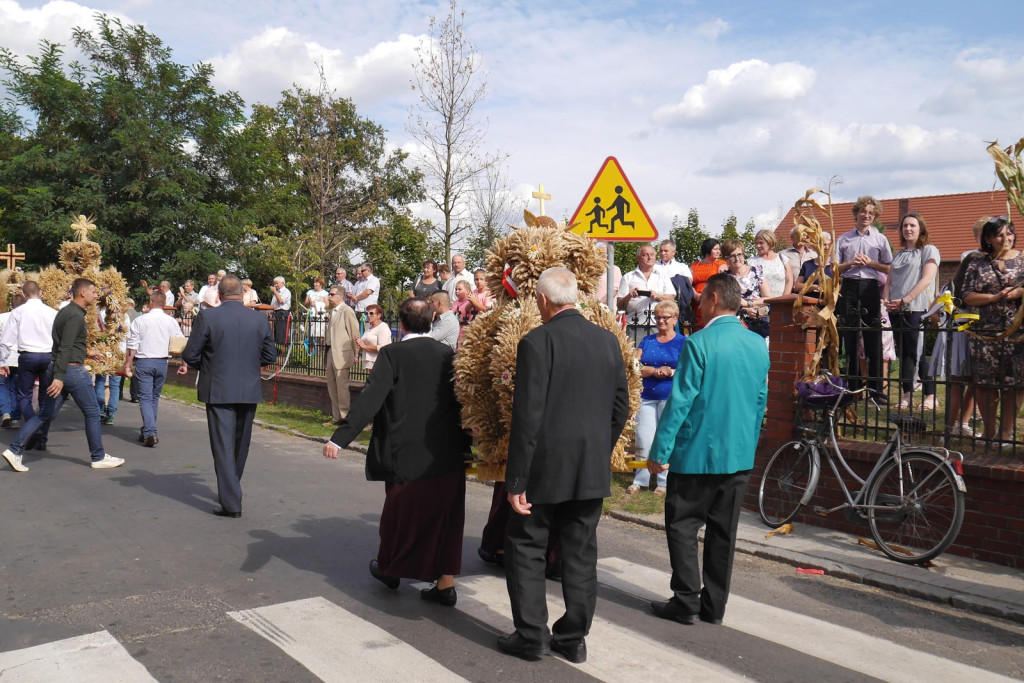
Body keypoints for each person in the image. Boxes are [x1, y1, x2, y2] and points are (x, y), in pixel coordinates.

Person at [498, 267, 629, 664]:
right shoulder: (608, 341)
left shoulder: (536, 341)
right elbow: (621, 406)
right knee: (580, 553)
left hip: (544, 467)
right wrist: (597, 449)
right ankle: (573, 637)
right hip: (590, 468)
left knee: (526, 545)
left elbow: (527, 416)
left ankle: (532, 635)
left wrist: (516, 479)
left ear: (541, 300)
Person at [323, 297, 471, 606]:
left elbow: (370, 400)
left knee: (399, 512)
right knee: (446, 515)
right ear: (432, 321)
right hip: (446, 450)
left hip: (405, 450)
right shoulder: (450, 355)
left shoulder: (392, 354)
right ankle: (446, 583)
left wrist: (340, 438)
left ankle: (391, 569)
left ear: (401, 324)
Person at [647, 273, 769, 626]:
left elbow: (681, 401)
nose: (697, 305)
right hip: (739, 455)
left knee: (683, 527)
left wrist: (660, 450)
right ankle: (714, 606)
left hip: (697, 454)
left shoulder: (699, 343)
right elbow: (760, 401)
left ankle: (686, 598)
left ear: (714, 298)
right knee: (723, 533)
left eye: (701, 299)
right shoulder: (757, 344)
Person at [182, 275, 277, 517]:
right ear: (243, 294)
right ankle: (232, 488)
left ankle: (232, 502)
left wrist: (211, 368)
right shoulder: (259, 319)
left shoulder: (208, 316)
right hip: (248, 387)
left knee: (223, 446)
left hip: (219, 388)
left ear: (219, 295)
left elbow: (191, 354)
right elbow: (269, 355)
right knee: (239, 444)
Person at [47, 278, 124, 469]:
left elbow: (68, 344)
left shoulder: (66, 312)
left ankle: (16, 448)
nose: (96, 295)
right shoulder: (74, 316)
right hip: (72, 369)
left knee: (46, 413)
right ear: (82, 293)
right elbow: (65, 347)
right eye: (93, 291)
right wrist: (58, 376)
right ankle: (98, 456)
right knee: (91, 412)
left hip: (64, 366)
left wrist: (88, 352)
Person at [962, 216, 1024, 448]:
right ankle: (989, 432)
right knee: (984, 384)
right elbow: (967, 295)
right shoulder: (977, 263)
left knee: (1013, 385)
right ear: (988, 239)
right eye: (999, 235)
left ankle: (1006, 435)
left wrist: (1019, 293)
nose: (1005, 238)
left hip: (1017, 334)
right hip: (984, 334)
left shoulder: (1023, 260)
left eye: (1009, 233)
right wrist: (993, 297)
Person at [626, 301, 686, 496]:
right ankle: (640, 479)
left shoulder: (683, 342)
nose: (661, 321)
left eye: (665, 317)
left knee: (666, 438)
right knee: (644, 437)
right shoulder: (647, 341)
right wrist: (652, 370)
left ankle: (663, 481)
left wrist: (670, 371)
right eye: (658, 317)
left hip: (669, 396)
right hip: (647, 396)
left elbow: (687, 369)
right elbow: (635, 366)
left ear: (675, 319)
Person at [835, 196, 892, 395]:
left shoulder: (880, 239)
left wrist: (870, 263)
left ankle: (876, 389)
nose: (866, 216)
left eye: (870, 213)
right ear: (856, 213)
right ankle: (853, 386)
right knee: (850, 336)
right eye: (863, 212)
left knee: (872, 337)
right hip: (849, 286)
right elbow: (834, 269)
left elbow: (889, 267)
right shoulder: (843, 239)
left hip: (870, 286)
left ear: (874, 216)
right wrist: (850, 263)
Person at [884, 212, 940, 410]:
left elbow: (926, 280)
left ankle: (930, 395)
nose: (908, 229)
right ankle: (907, 395)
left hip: (916, 308)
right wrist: (885, 300)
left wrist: (905, 300)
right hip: (895, 309)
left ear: (920, 229)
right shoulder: (898, 255)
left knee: (917, 353)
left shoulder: (928, 250)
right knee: (904, 355)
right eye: (905, 226)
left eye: (912, 226)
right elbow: (889, 281)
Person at [0, 281, 57, 472]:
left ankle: (32, 427)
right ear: (40, 292)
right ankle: (41, 437)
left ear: (23, 295)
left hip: (27, 356)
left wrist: (2, 362)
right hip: (48, 356)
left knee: (23, 395)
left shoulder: (18, 312)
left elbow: (6, 341)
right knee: (46, 397)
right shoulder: (51, 312)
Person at [125, 290, 187, 446]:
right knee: (154, 398)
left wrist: (127, 365)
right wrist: (183, 363)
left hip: (144, 361)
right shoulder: (171, 321)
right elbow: (180, 343)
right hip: (162, 362)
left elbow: (132, 345)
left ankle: (150, 432)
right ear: (164, 304)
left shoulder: (140, 320)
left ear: (151, 302)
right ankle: (148, 429)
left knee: (145, 398)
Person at [946, 218, 987, 438]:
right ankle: (950, 426)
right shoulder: (969, 256)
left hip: (987, 325)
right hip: (967, 321)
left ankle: (963, 422)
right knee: (959, 377)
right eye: (982, 234)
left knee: (976, 378)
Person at [617, 244, 675, 342]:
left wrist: (658, 296)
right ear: (638, 258)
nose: (650, 257)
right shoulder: (628, 277)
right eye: (645, 255)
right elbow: (620, 305)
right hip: (635, 325)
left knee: (656, 356)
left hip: (658, 324)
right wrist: (629, 295)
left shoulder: (663, 276)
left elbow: (671, 299)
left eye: (652, 254)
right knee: (634, 356)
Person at [323, 285, 360, 427]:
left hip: (342, 354)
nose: (329, 297)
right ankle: (336, 416)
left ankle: (345, 417)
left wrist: (356, 353)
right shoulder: (333, 311)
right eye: (329, 294)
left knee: (342, 386)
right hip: (331, 351)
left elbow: (354, 332)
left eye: (332, 294)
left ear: (340, 296)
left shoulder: (347, 310)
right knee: (332, 386)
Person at [722, 239, 770, 339]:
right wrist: (745, 310)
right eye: (732, 256)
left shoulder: (756, 271)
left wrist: (750, 304)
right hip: (735, 323)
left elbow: (767, 298)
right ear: (726, 259)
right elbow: (725, 304)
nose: (737, 258)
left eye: (740, 254)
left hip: (758, 320)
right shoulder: (724, 278)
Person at [93, 299, 125, 425]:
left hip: (105, 350)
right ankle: (110, 413)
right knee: (114, 385)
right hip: (118, 353)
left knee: (101, 380)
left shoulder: (98, 314)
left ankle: (101, 408)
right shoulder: (123, 317)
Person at [0, 292, 25, 429]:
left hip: (4, 357)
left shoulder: (2, 317)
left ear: (11, 304)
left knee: (2, 386)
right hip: (21, 357)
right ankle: (15, 417)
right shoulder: (26, 319)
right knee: (17, 388)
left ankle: (5, 411)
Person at [689, 238, 727, 327]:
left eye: (719, 249)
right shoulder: (695, 265)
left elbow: (723, 282)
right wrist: (695, 294)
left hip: (713, 300)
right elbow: (688, 282)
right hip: (697, 301)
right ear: (708, 249)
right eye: (715, 249)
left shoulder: (721, 263)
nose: (719, 252)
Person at [748, 229, 793, 299]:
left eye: (761, 243)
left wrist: (784, 299)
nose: (758, 246)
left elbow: (789, 281)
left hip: (780, 303)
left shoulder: (783, 259)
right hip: (760, 305)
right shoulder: (751, 262)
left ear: (769, 243)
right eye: (756, 243)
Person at [356, 304, 391, 372]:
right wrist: (361, 343)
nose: (368, 315)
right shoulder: (369, 328)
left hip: (380, 363)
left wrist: (365, 346)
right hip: (370, 363)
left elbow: (383, 347)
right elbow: (365, 345)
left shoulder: (383, 327)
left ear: (379, 315)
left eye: (371, 313)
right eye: (367, 313)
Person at [592, 242, 622, 308]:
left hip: (607, 310)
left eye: (606, 252)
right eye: (600, 251)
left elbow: (615, 290)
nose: (604, 255)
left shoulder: (615, 269)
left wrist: (598, 305)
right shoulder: (589, 268)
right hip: (589, 310)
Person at [270, 276, 291, 354]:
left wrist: (275, 292)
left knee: (281, 334)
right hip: (275, 313)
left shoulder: (286, 291)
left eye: (277, 283)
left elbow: (281, 301)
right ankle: (275, 352)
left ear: (283, 283)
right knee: (275, 334)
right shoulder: (277, 292)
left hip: (282, 313)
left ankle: (281, 353)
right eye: (274, 283)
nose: (275, 285)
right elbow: (273, 304)